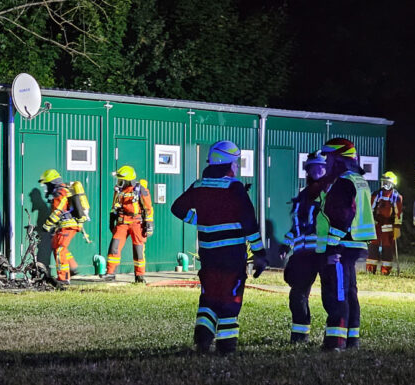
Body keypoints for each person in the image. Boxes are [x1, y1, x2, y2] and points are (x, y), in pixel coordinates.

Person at [170, 140, 266, 355]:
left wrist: (199, 219)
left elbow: (177, 208)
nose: (237, 167)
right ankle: (226, 346)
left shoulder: (199, 185)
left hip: (209, 254)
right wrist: (259, 253)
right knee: (230, 298)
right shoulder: (234, 187)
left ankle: (203, 340)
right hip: (232, 255)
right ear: (229, 164)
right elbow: (249, 222)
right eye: (236, 163)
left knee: (209, 296)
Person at [315, 138, 376, 351]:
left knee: (337, 293)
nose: (326, 163)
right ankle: (352, 339)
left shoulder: (343, 182)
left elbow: (342, 216)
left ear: (339, 158)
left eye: (329, 158)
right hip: (354, 245)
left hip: (341, 247)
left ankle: (335, 342)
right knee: (349, 292)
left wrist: (331, 247)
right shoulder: (357, 179)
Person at [279, 150, 327, 343]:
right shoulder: (302, 196)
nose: (316, 171)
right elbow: (297, 227)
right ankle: (299, 336)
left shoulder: (330, 195)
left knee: (332, 297)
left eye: (320, 167)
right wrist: (286, 244)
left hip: (324, 252)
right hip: (302, 254)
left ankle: (337, 338)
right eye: (312, 167)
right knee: (297, 295)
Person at [101, 165, 153, 283]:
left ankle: (139, 276)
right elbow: (114, 206)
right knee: (114, 246)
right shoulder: (119, 190)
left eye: (121, 180)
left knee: (138, 249)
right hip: (122, 222)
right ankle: (110, 273)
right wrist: (111, 220)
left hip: (137, 222)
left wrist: (149, 224)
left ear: (128, 180)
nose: (119, 182)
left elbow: (148, 208)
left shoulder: (141, 189)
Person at [39, 169, 81, 285]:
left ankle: (64, 278)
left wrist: (47, 226)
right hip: (64, 226)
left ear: (52, 183)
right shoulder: (61, 191)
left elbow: (58, 212)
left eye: (47, 184)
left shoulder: (60, 192)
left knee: (60, 250)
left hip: (67, 226)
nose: (46, 187)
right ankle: (72, 267)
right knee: (57, 245)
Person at [367, 171, 403, 275]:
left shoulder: (396, 196)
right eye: (384, 182)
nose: (385, 185)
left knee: (387, 247)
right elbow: (370, 209)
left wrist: (397, 227)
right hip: (376, 224)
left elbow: (399, 213)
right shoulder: (376, 194)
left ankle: (385, 270)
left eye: (388, 183)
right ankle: (370, 269)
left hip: (389, 226)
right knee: (373, 245)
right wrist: (371, 222)